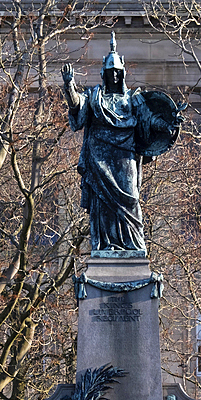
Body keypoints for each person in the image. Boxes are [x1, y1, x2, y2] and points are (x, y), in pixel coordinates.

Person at [62, 33, 181, 252]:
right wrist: (69, 87)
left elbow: (150, 120)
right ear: (104, 74)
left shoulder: (132, 99)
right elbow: (78, 107)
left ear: (123, 74)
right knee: (102, 205)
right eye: (110, 73)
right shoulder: (95, 96)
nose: (114, 77)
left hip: (125, 155)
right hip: (99, 157)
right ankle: (106, 246)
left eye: (117, 73)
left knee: (131, 199)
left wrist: (168, 126)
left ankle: (133, 246)